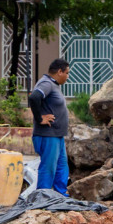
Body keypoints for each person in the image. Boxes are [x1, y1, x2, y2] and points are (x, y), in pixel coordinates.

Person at [27, 59, 71, 196]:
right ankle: (43, 198)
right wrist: (40, 118)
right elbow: (34, 97)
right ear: (59, 72)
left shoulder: (54, 85)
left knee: (62, 167)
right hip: (47, 135)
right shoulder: (46, 83)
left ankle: (61, 196)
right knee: (48, 168)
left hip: (57, 135)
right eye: (67, 73)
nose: (68, 76)